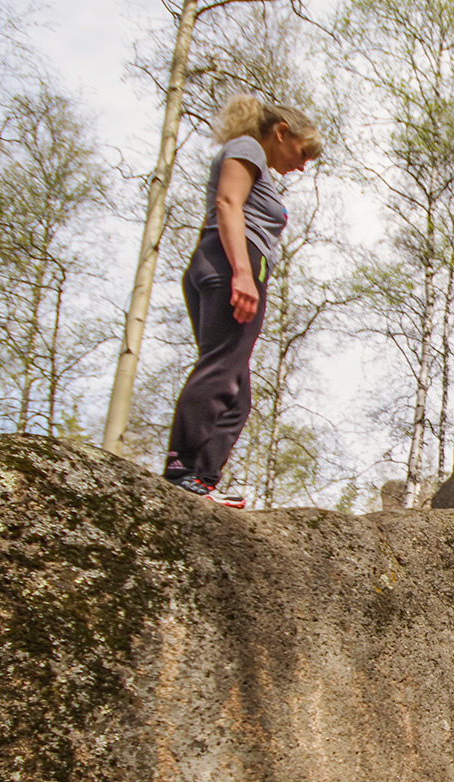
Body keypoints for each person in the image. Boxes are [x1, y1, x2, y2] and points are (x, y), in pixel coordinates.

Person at [164, 95, 322, 508]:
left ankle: (202, 480)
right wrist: (242, 274)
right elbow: (228, 203)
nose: (301, 165)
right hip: (230, 260)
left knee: (237, 394)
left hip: (223, 262)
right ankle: (181, 471)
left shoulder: (252, 154)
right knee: (221, 372)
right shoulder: (248, 146)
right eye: (302, 153)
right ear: (281, 133)